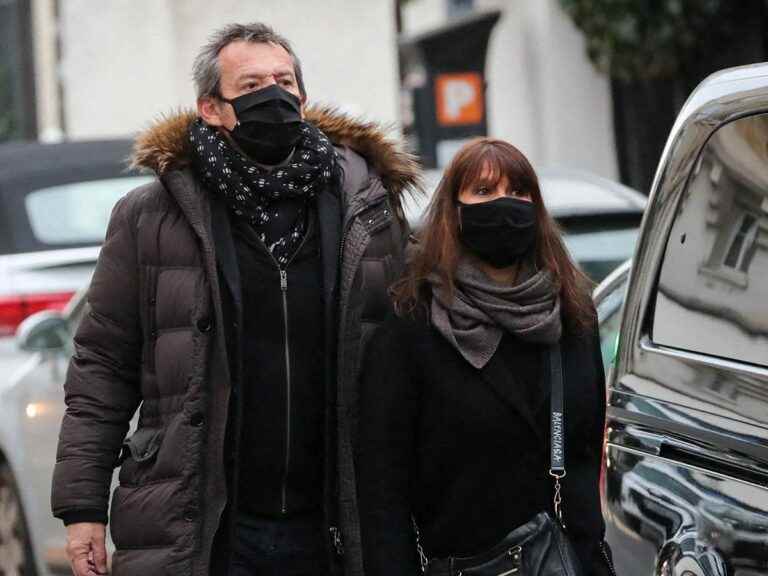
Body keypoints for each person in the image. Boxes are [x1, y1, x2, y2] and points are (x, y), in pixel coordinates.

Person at [51, 22, 418, 576]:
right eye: (251, 86)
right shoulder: (151, 218)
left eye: (284, 81)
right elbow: (102, 365)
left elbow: (418, 346)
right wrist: (82, 509)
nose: (274, 96)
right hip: (205, 525)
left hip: (336, 525)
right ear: (211, 109)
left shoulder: (365, 211)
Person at [355, 138, 616, 575]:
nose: (504, 205)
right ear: (454, 214)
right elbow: (382, 490)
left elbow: (584, 455)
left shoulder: (572, 317)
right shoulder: (412, 329)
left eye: (518, 192)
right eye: (483, 192)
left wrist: (591, 557)